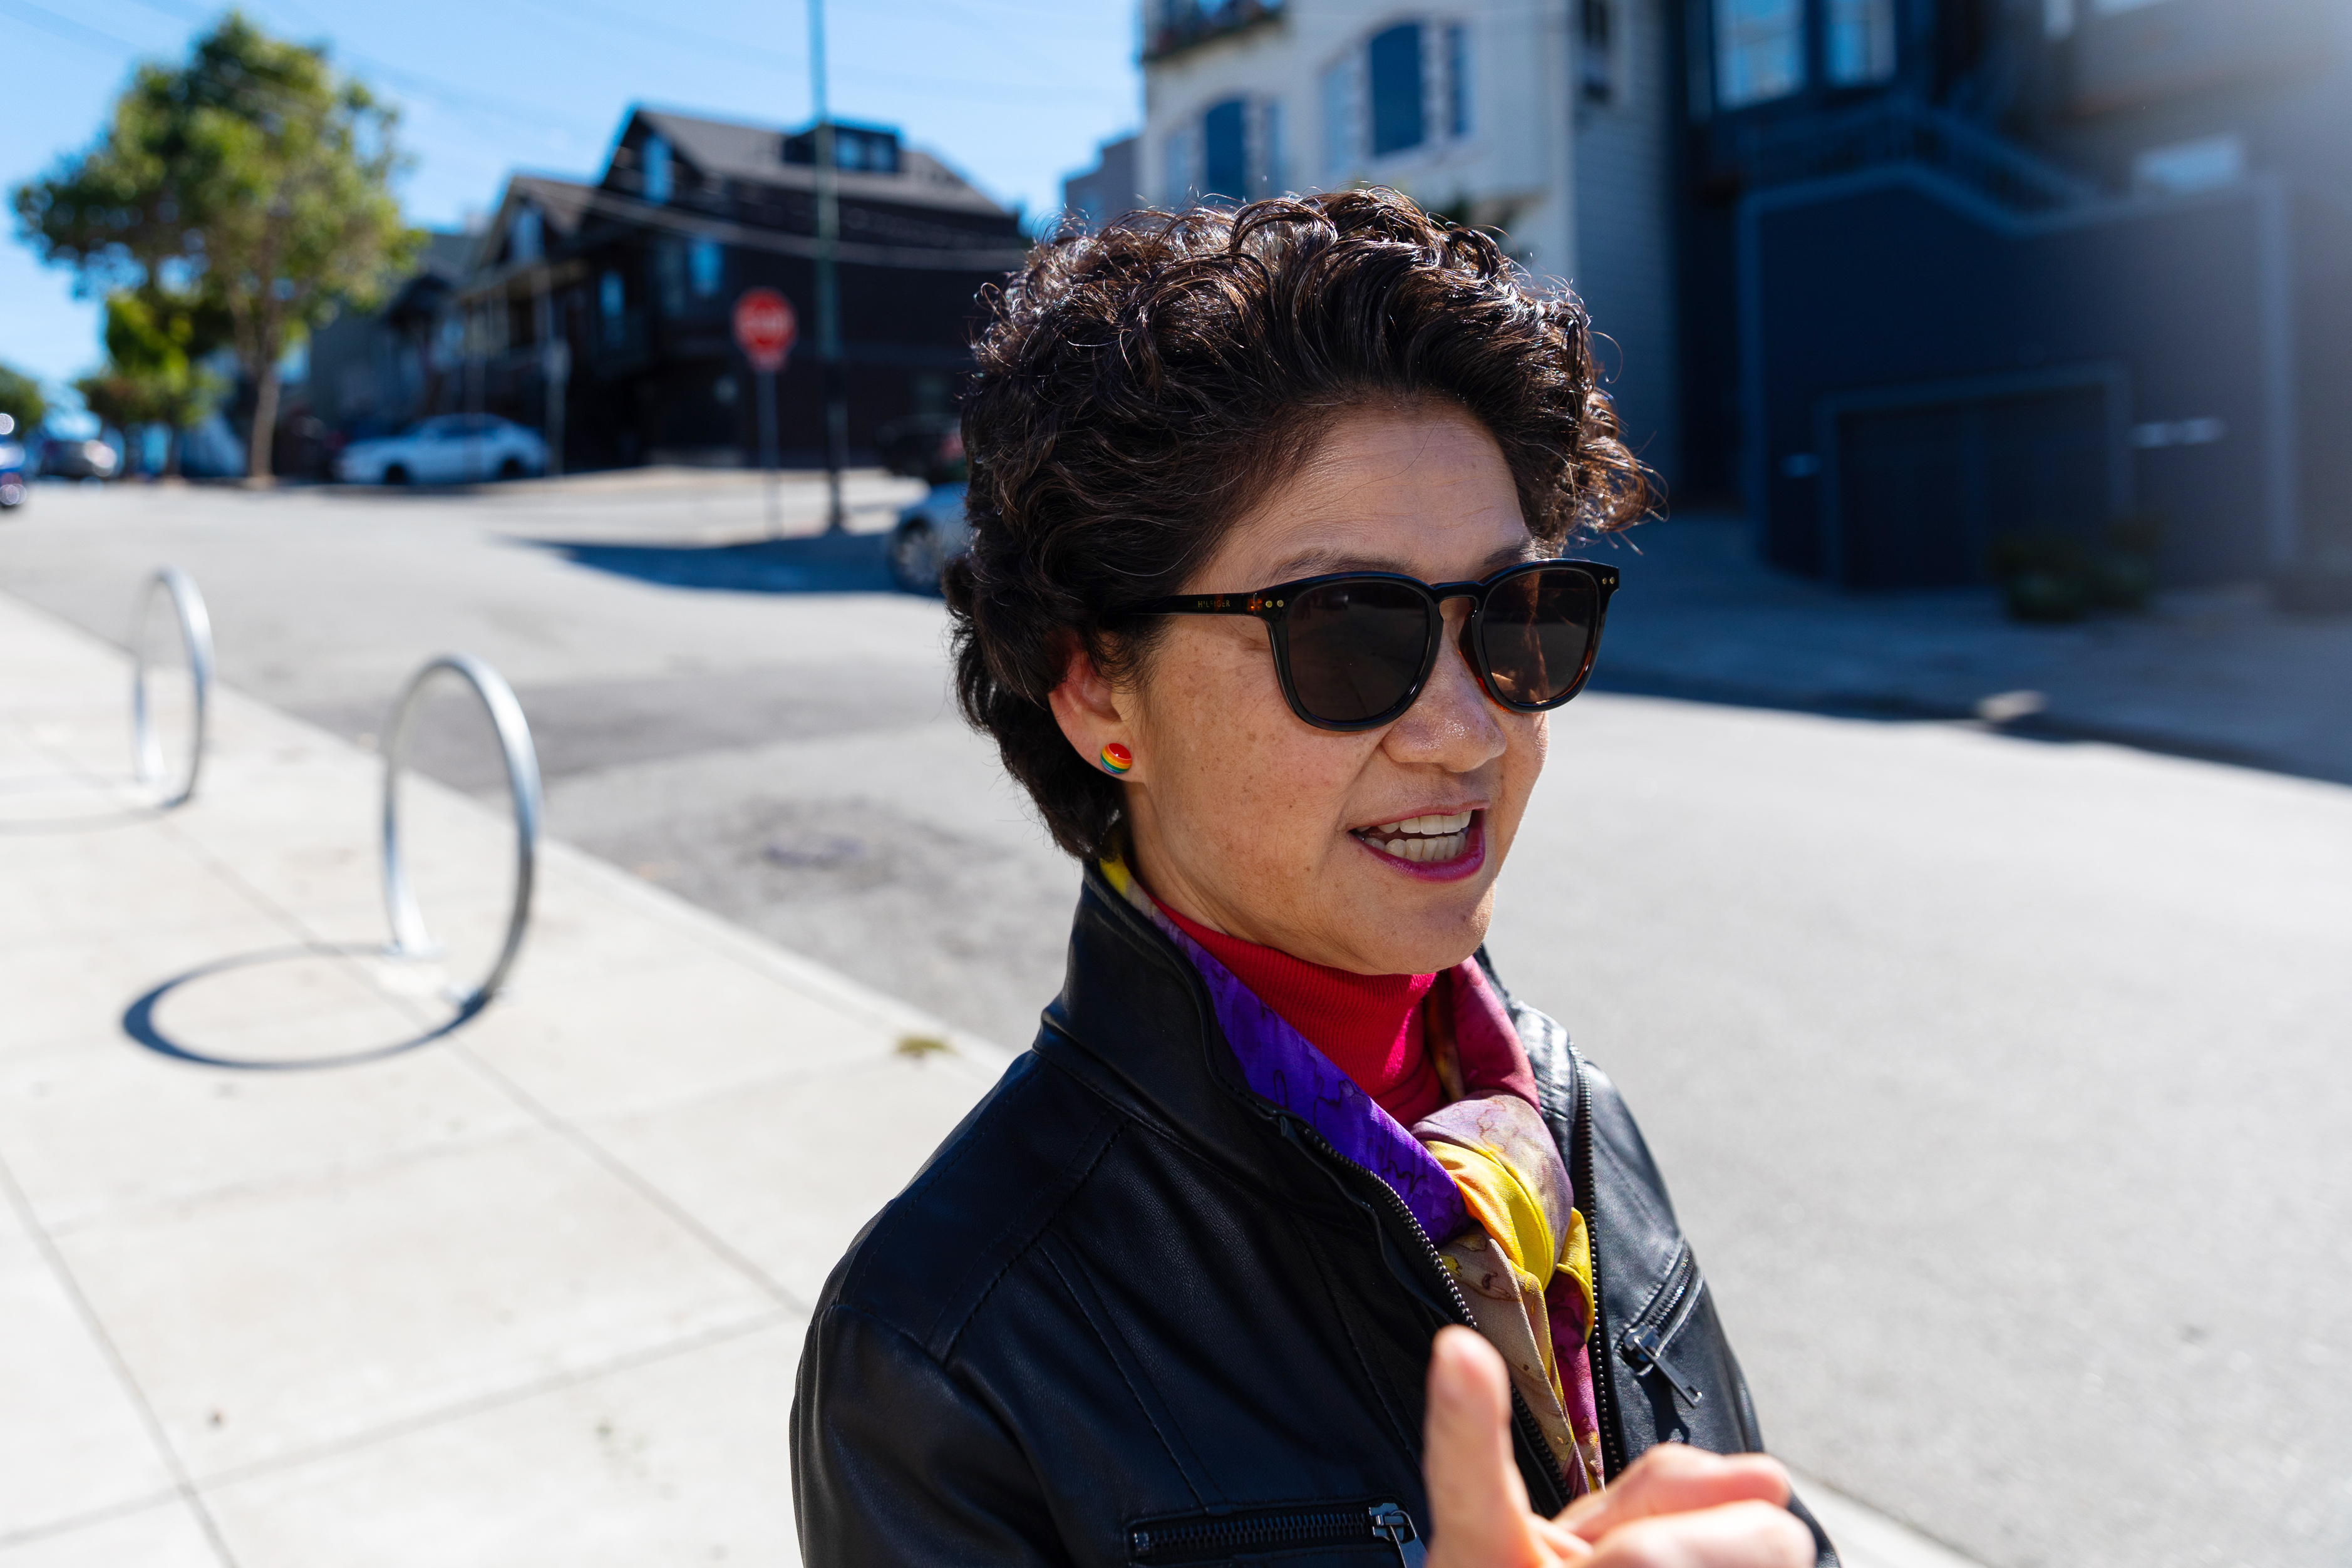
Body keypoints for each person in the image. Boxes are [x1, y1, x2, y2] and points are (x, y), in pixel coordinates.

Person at [792, 190, 1834, 1567]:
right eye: (1348, 631)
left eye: (1519, 619)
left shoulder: (1575, 1114)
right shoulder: (946, 1348)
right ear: (1100, 686)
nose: (1470, 728)